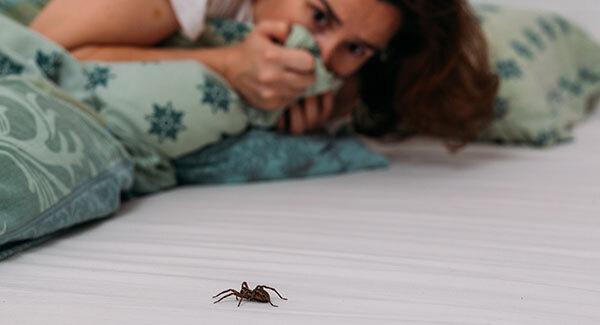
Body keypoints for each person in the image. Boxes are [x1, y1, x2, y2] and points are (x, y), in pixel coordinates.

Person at [31, 0, 498, 151]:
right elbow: (38, 50)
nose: (321, 55)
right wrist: (227, 66)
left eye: (353, 48)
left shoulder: (346, 84)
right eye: (319, 16)